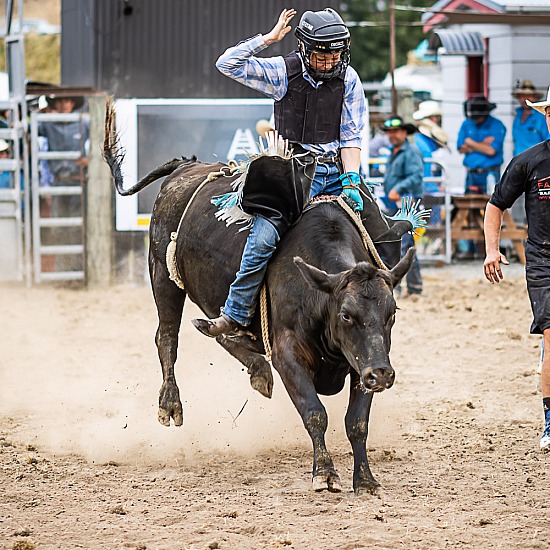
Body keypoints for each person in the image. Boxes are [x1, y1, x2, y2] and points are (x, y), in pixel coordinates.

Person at [193, 7, 378, 337]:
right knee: (263, 238)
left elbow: (351, 135)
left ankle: (376, 308)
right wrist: (267, 39)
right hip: (292, 172)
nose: (329, 61)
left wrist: (351, 180)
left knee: (382, 229)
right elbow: (227, 64)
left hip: (336, 170)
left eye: (335, 54)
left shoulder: (349, 80)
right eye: (322, 55)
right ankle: (235, 314)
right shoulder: (282, 72)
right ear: (305, 49)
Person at [483, 85, 550, 452]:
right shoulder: (529, 161)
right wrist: (492, 250)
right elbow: (496, 205)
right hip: (543, 258)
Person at [381, 116, 424, 296]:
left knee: (403, 245)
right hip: (396, 204)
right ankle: (412, 287)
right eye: (390, 132)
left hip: (407, 203)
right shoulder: (395, 151)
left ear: (404, 132)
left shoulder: (411, 151)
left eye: (396, 131)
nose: (393, 135)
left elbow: (416, 176)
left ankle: (406, 287)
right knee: (400, 245)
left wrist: (398, 188)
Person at [457, 96, 507, 195]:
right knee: (469, 205)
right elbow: (461, 148)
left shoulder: (497, 125)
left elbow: (491, 151)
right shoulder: (467, 124)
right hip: (472, 173)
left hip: (490, 174)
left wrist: (471, 143)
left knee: (492, 205)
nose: (475, 120)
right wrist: (483, 144)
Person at [413, 101, 450, 226]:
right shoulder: (422, 143)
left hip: (427, 188)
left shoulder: (424, 141)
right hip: (425, 189)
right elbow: (426, 171)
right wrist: (435, 188)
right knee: (429, 222)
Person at [511, 80, 549, 156]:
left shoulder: (542, 117)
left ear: (534, 97)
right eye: (523, 96)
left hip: (536, 161)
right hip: (518, 161)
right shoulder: (518, 115)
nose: (526, 99)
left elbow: (548, 142)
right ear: (519, 97)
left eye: (529, 95)